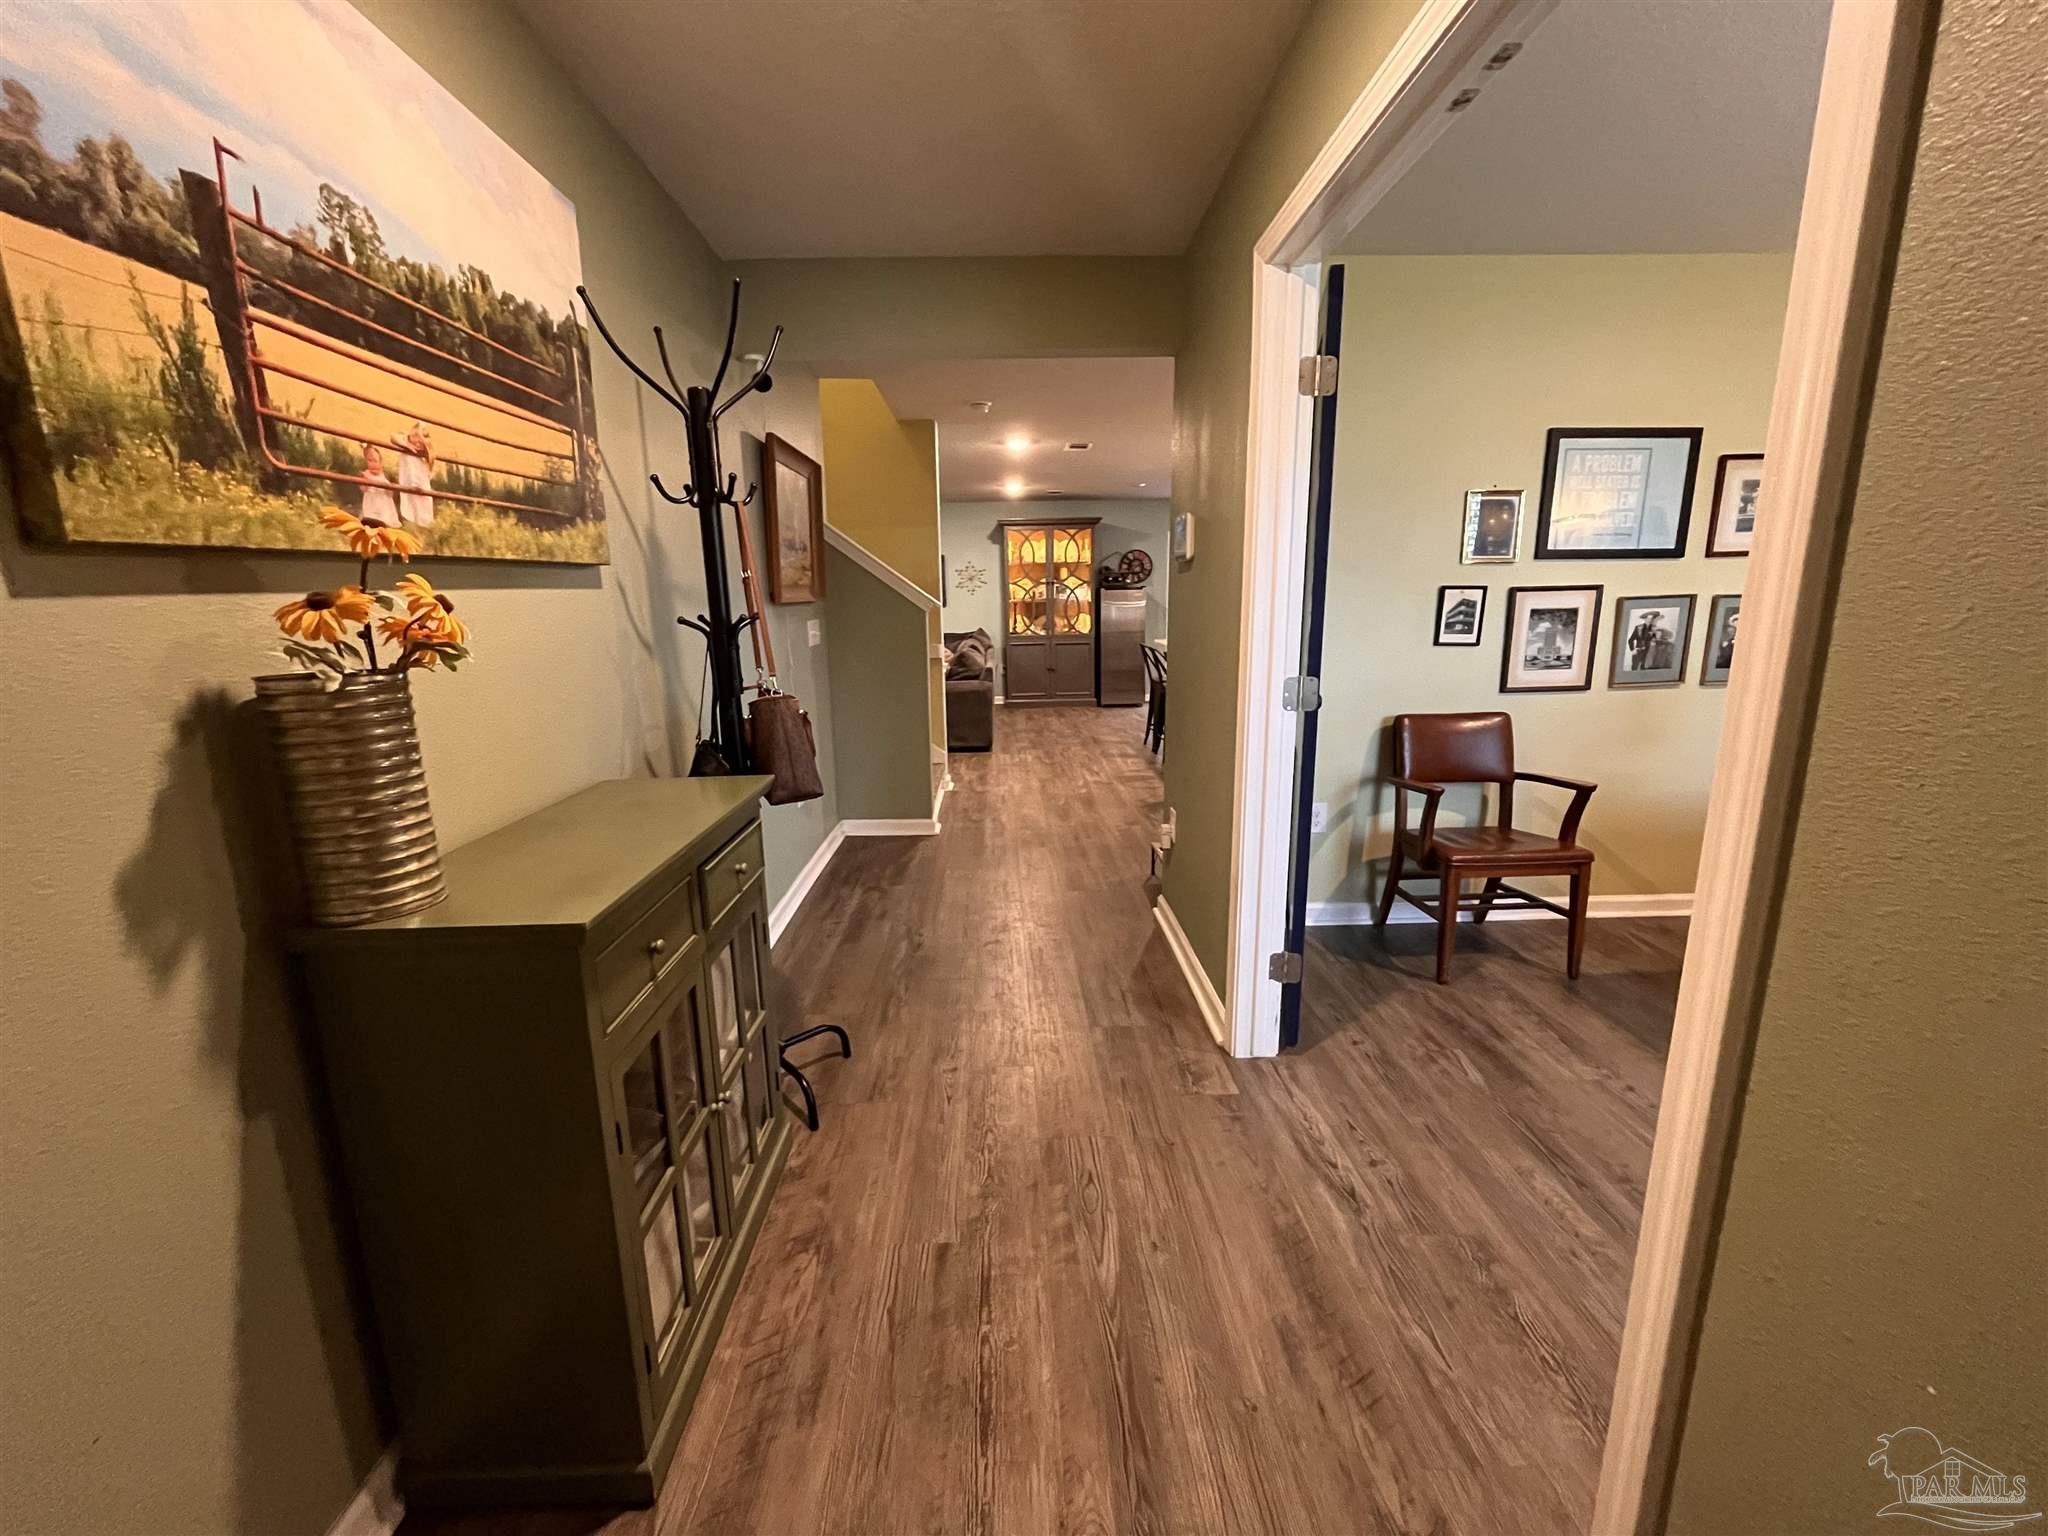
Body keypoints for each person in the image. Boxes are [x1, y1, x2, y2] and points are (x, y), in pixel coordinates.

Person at [394, 424, 435, 529]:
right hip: (408, 484)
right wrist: (407, 445)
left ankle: (422, 534)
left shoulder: (423, 454)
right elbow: (393, 436)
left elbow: (431, 455)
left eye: (420, 440)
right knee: (409, 511)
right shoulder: (405, 444)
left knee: (423, 514)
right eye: (415, 435)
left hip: (422, 487)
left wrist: (423, 441)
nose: (417, 441)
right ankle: (412, 530)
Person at [359, 443, 399, 526]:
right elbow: (363, 489)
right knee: (371, 524)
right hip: (371, 505)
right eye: (370, 461)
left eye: (375, 461)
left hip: (384, 507)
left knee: (384, 524)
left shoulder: (384, 478)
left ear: (381, 463)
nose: (373, 464)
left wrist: (388, 487)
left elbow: (390, 494)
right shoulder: (366, 475)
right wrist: (366, 481)